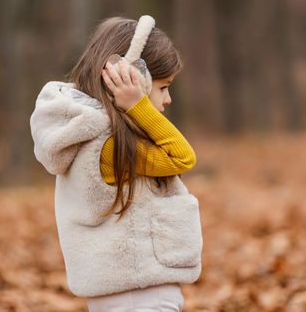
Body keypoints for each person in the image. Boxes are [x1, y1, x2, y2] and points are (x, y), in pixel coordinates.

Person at [30, 15, 203, 311]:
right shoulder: (110, 148)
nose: (169, 98)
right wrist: (139, 106)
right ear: (133, 79)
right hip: (141, 294)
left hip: (124, 293)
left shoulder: (94, 140)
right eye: (163, 87)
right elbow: (182, 157)